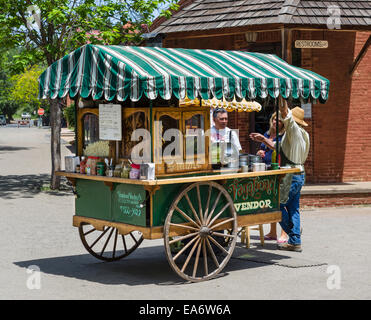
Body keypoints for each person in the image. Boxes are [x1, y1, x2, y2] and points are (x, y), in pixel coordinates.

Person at [250, 98, 309, 252]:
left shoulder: (294, 130)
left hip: (291, 175)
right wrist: (263, 139)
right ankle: (295, 240)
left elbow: (285, 113)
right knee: (293, 208)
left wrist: (281, 98)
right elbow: (278, 147)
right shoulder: (303, 134)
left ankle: (294, 236)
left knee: (276, 204)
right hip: (300, 173)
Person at [256, 113, 288, 243]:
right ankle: (273, 231)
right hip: (267, 169)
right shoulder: (267, 133)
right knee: (272, 201)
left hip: (280, 170)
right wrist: (259, 152)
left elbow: (277, 148)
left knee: (282, 201)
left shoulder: (284, 136)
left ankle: (284, 232)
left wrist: (265, 141)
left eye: (279, 120)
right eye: (274, 119)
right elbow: (262, 149)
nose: (276, 122)